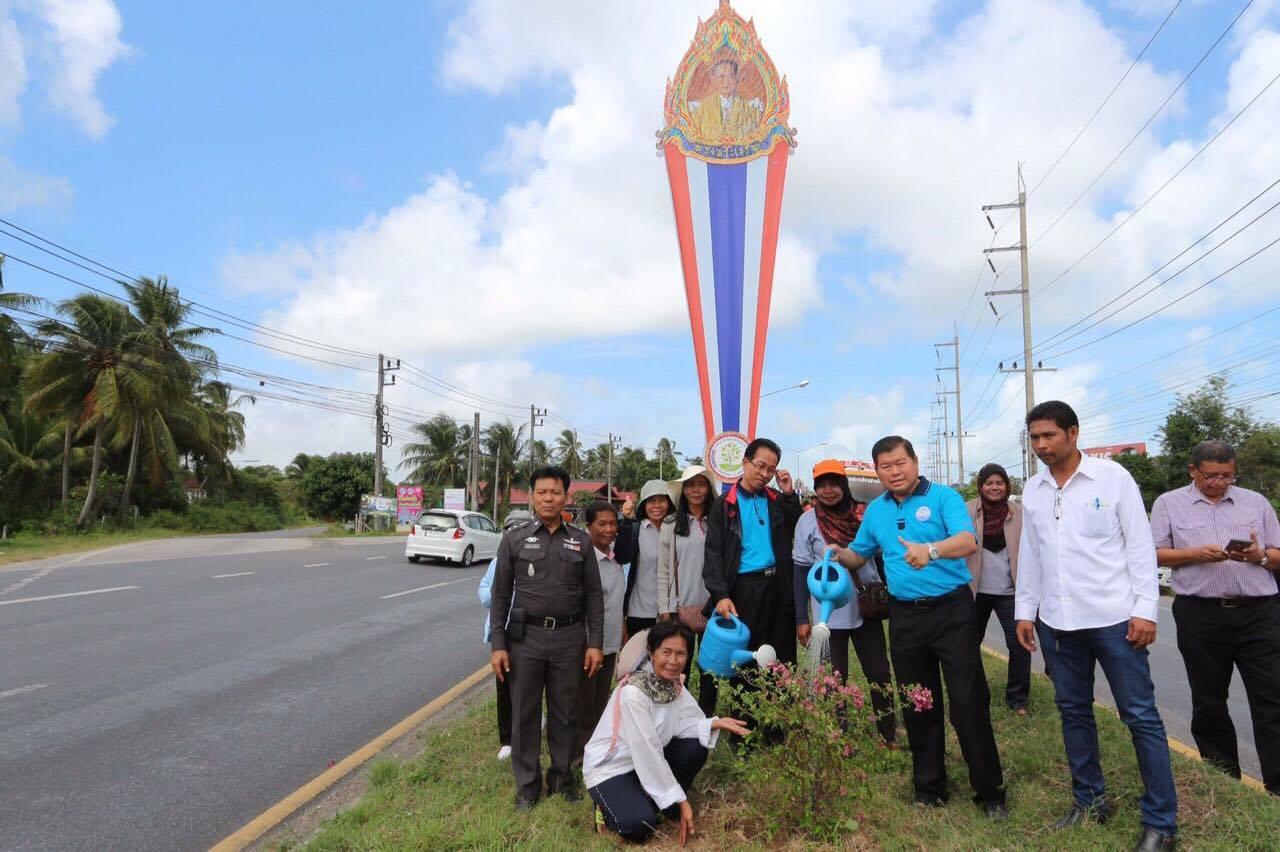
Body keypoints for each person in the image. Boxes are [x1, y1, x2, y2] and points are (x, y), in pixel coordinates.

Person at [1014, 401, 1176, 852]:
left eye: (1049, 435)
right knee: (1073, 712)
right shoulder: (1033, 489)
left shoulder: (1112, 478)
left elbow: (1139, 547)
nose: (1041, 445)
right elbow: (1032, 555)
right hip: (1058, 623)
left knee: (1140, 716)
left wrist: (1146, 610)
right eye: (1034, 437)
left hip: (1114, 620)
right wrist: (1025, 611)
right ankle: (1090, 802)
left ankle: (1161, 822)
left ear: (1073, 433)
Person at [833, 436, 1005, 817]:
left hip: (952, 612)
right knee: (918, 700)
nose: (894, 472)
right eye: (885, 467)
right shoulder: (875, 511)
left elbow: (968, 541)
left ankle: (990, 792)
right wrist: (838, 554)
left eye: (900, 463)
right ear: (877, 471)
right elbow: (859, 555)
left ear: (915, 461)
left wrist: (931, 550)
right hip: (905, 618)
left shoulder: (943, 498)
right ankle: (929, 787)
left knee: (968, 701)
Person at [1150, 439, 1280, 795]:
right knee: (1208, 700)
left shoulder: (1256, 502)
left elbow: (1277, 554)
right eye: (1211, 476)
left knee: (1272, 698)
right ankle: (1224, 784)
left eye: (1227, 475)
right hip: (1200, 614)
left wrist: (1259, 556)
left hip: (1259, 613)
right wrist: (1195, 554)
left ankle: (1277, 788)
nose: (1219, 482)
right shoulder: (1168, 503)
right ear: (1193, 471)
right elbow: (1153, 553)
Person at [490, 465, 605, 808]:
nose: (548, 498)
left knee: (565, 711)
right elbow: (500, 595)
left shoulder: (581, 540)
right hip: (525, 639)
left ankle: (561, 778)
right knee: (524, 713)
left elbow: (594, 596)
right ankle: (527, 787)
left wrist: (595, 643)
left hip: (569, 638)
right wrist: (498, 645)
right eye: (541, 492)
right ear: (532, 496)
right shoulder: (514, 538)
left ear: (566, 496)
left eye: (555, 492)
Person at [583, 620, 750, 844]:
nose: (673, 661)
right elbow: (648, 751)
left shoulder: (672, 684)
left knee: (697, 746)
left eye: (680, 654)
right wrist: (681, 800)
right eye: (666, 652)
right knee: (640, 827)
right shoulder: (634, 693)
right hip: (613, 767)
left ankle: (654, 798)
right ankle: (606, 805)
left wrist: (714, 724)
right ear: (652, 653)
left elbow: (680, 724)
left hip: (643, 761)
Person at [793, 458, 897, 742]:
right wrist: (802, 618)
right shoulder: (807, 521)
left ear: (844, 485)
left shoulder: (865, 515)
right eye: (822, 485)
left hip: (866, 608)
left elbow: (881, 559)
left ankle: (888, 734)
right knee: (832, 679)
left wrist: (890, 594)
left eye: (834, 484)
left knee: (878, 672)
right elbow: (800, 569)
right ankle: (838, 737)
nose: (828, 491)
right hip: (827, 615)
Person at [704, 437, 802, 690]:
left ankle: (779, 712)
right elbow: (713, 553)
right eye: (759, 466)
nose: (764, 474)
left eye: (771, 469)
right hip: (744, 589)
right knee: (746, 654)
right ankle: (745, 713)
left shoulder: (776, 499)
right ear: (745, 462)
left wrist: (789, 494)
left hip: (778, 586)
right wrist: (721, 595)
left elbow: (797, 527)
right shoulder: (724, 505)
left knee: (781, 655)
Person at [965, 463, 1032, 716]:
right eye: (989, 483)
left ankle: (1018, 698)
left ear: (1007, 486)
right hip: (975, 590)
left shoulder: (1020, 513)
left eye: (999, 483)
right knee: (969, 644)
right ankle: (974, 694)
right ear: (980, 486)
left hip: (1011, 592)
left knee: (1020, 644)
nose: (994, 488)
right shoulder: (967, 511)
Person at [657, 465, 720, 716]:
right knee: (678, 667)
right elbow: (664, 569)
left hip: (714, 606)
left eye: (701, 484)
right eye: (690, 485)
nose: (696, 490)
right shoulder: (671, 524)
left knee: (709, 667)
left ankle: (704, 718)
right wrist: (664, 608)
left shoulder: (718, 521)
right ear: (683, 490)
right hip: (680, 607)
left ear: (708, 489)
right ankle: (675, 717)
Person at [575, 500, 629, 761]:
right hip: (589, 646)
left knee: (599, 701)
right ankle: (580, 755)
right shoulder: (584, 561)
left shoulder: (614, 557)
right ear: (588, 526)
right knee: (583, 704)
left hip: (610, 643)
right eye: (602, 524)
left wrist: (622, 629)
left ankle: (597, 751)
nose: (609, 529)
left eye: (613, 524)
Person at [617, 480, 674, 638]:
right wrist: (626, 521)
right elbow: (621, 556)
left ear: (669, 503)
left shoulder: (676, 530)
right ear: (643, 505)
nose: (656, 505)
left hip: (672, 610)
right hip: (640, 611)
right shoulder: (636, 530)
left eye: (661, 500)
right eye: (651, 501)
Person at [691, 57, 763, 141]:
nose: (726, 82)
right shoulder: (701, 109)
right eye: (721, 76)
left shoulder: (750, 110)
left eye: (731, 76)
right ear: (714, 79)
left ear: (736, 79)